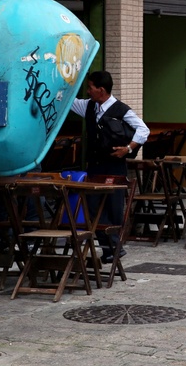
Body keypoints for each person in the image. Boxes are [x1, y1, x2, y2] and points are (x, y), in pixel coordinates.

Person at [71, 70, 150, 263]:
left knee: (113, 207)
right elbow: (69, 101)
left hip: (114, 167)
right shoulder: (88, 107)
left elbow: (143, 129)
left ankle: (114, 247)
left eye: (90, 87)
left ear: (101, 89)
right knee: (92, 207)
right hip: (95, 166)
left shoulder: (121, 109)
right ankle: (108, 247)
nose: (88, 91)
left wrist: (128, 148)